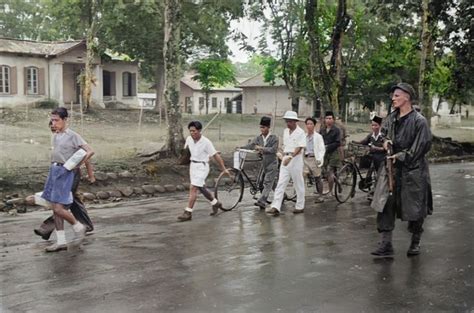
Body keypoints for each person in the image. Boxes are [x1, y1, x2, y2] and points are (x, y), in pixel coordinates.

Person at [371, 82, 433, 257]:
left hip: (413, 172)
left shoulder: (419, 122)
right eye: (393, 96)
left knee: (415, 208)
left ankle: (415, 242)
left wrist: (400, 156)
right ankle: (385, 244)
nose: (393, 98)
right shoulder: (391, 118)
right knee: (385, 205)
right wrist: (385, 141)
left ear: (407, 97)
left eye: (397, 95)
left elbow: (421, 147)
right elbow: (383, 133)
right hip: (391, 170)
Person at [41, 107, 94, 252]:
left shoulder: (73, 136)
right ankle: (61, 242)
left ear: (65, 120)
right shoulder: (55, 135)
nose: (53, 123)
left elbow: (90, 151)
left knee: (59, 207)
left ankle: (79, 226)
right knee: (55, 208)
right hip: (54, 171)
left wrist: (77, 164)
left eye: (57, 120)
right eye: (52, 120)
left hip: (66, 172)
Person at [177, 121, 229, 222]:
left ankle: (188, 212)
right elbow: (186, 152)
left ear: (200, 130)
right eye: (190, 131)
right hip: (193, 166)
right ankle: (215, 203)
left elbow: (215, 155)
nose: (192, 133)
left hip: (202, 167)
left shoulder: (206, 142)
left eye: (194, 131)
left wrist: (223, 168)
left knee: (193, 188)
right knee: (201, 188)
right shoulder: (188, 139)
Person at [268, 111, 306, 216]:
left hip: (296, 159)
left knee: (298, 183)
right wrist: (280, 153)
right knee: (281, 182)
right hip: (285, 157)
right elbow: (284, 144)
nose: (287, 123)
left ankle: (300, 206)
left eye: (289, 121)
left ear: (294, 122)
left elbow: (300, 147)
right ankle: (275, 206)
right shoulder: (285, 131)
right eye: (287, 121)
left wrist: (292, 156)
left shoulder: (300, 132)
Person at [240, 116, 279, 209]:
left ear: (268, 128)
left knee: (267, 182)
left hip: (272, 163)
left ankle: (262, 201)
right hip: (263, 164)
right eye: (261, 127)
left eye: (264, 127)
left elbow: (273, 150)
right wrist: (241, 148)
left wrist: (261, 148)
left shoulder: (274, 138)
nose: (262, 129)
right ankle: (283, 195)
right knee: (270, 183)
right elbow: (251, 145)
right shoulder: (258, 138)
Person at [304, 117, 326, 203]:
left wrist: (320, 159)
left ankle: (320, 195)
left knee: (317, 177)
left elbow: (321, 149)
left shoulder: (318, 137)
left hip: (314, 158)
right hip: (305, 158)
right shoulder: (304, 136)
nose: (309, 126)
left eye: (311, 124)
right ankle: (300, 195)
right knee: (302, 176)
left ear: (314, 125)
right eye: (308, 124)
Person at [320, 111, 341, 195]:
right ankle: (337, 183)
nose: (328, 120)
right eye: (327, 118)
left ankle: (330, 190)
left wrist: (328, 146)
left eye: (330, 118)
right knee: (324, 171)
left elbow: (338, 142)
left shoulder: (336, 130)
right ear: (324, 120)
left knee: (329, 170)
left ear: (333, 120)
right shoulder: (322, 130)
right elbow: (318, 139)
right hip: (324, 153)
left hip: (333, 152)